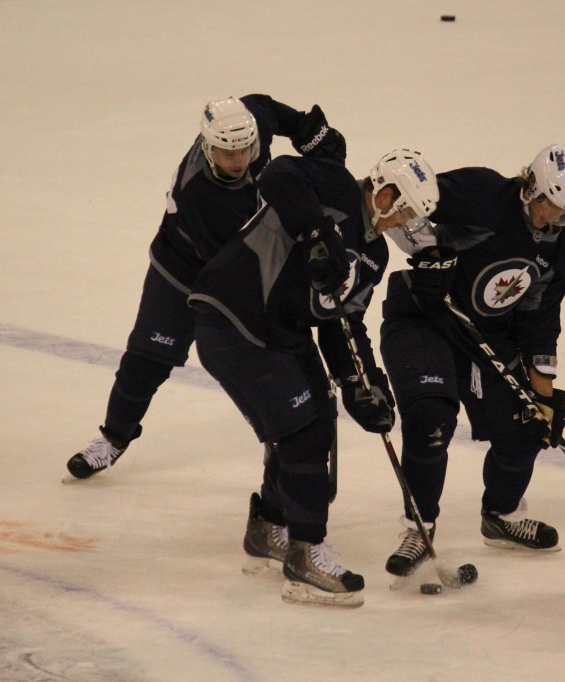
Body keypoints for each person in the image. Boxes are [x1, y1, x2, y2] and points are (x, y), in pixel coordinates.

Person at [187, 149, 440, 608]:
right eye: (404, 212)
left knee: (319, 418)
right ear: (385, 194)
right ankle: (305, 557)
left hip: (281, 332)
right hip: (234, 320)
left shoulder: (374, 253)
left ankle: (269, 528)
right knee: (301, 431)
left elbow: (342, 321)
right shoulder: (335, 187)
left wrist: (364, 383)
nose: (403, 224)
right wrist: (316, 230)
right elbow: (278, 172)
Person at [67, 95, 347, 479]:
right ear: (208, 146)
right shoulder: (202, 196)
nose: (239, 160)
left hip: (237, 259)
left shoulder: (245, 122)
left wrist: (309, 132)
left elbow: (263, 106)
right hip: (183, 273)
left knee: (272, 360)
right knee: (148, 359)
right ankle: (114, 438)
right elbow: (242, 263)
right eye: (227, 154)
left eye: (246, 150)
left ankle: (282, 434)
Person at [376, 145, 565, 580]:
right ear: (531, 185)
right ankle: (419, 529)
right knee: (431, 416)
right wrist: (429, 253)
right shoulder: (484, 193)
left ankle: (502, 516)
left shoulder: (562, 250)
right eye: (549, 204)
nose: (553, 218)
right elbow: (406, 198)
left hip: (485, 336)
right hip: (424, 318)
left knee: (527, 425)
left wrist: (543, 397)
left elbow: (540, 321)